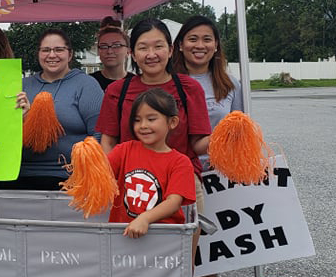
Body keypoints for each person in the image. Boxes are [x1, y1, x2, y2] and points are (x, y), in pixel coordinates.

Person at [95, 18, 210, 263]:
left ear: (170, 50)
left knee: (176, 260)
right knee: (128, 258)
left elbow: (198, 144)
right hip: (130, 183)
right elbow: (108, 141)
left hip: (181, 182)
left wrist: (227, 139)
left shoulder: (189, 88)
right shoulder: (117, 90)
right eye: (142, 47)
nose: (151, 54)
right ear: (132, 54)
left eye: (158, 46)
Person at [0, 28, 103, 190]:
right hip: (20, 175)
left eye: (59, 50)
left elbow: (99, 135)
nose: (52, 55)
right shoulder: (22, 85)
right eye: (46, 50)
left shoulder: (86, 85)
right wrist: (24, 120)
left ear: (70, 54)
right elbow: (3, 133)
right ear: (38, 54)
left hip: (70, 178)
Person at [109, 88, 195, 238]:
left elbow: (174, 202)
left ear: (172, 122)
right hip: (123, 235)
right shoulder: (123, 150)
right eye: (137, 120)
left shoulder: (180, 162)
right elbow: (100, 175)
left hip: (163, 239)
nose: (143, 125)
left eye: (151, 119)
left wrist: (145, 218)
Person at [172, 15, 243, 131]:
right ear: (180, 45)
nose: (200, 45)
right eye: (193, 39)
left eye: (207, 39)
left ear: (215, 45)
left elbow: (239, 129)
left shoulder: (230, 84)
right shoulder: (168, 81)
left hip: (220, 149)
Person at [91, 17, 131, 90]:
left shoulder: (135, 84)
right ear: (98, 51)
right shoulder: (89, 82)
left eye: (116, 46)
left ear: (128, 51)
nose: (109, 51)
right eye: (104, 46)